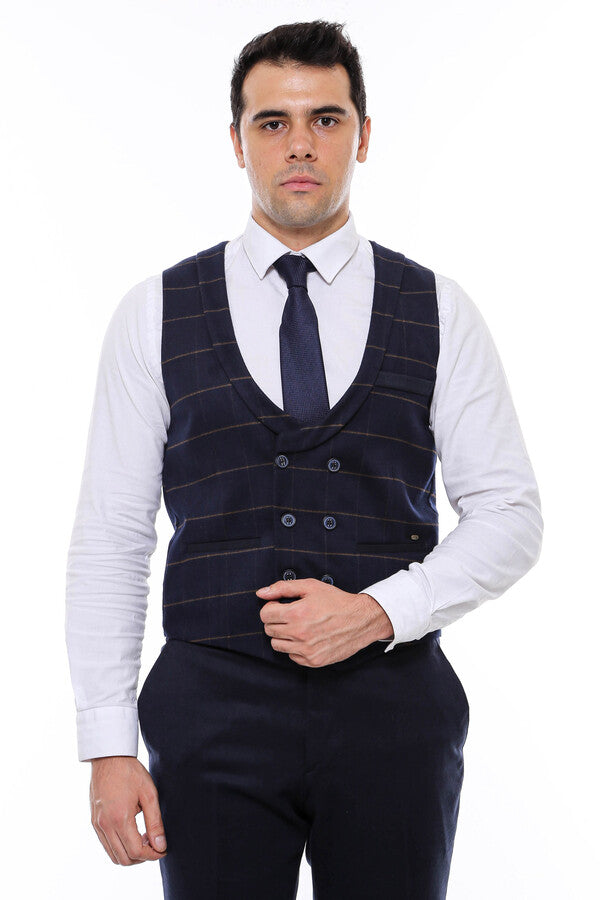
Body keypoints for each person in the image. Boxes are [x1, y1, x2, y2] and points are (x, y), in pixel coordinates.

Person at [65, 19, 543, 900]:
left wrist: (378, 611)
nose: (299, 145)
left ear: (364, 135)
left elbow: (511, 516)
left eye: (325, 119)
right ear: (236, 141)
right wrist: (106, 746)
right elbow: (111, 536)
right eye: (272, 122)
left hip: (395, 713)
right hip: (209, 714)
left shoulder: (439, 308)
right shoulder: (154, 312)